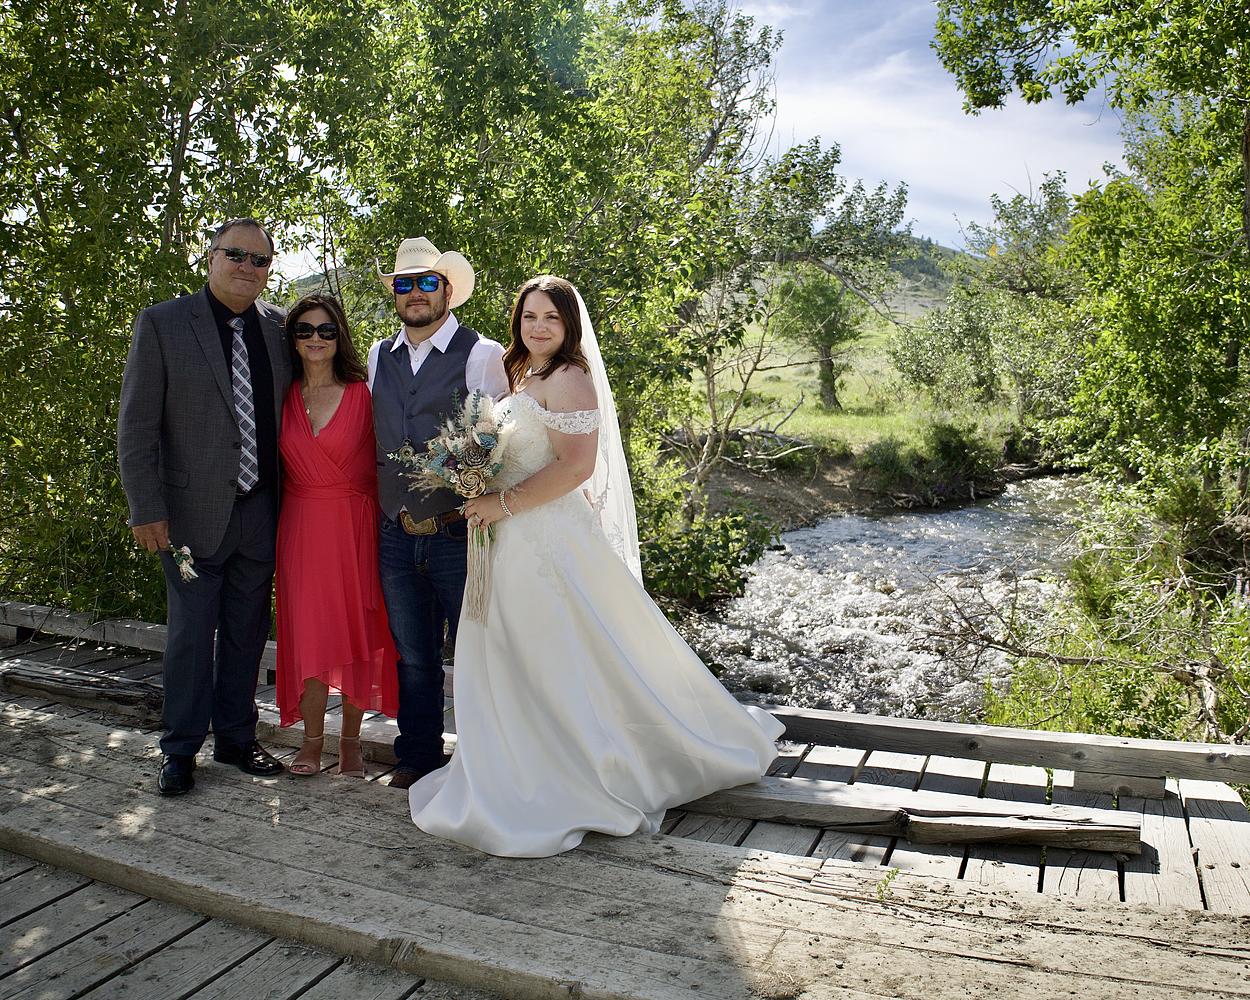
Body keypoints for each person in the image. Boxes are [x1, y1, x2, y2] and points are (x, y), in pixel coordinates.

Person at [407, 275, 785, 857]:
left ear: (569, 325)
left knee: (554, 653)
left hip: (544, 538)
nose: (538, 327)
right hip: (506, 538)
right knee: (516, 653)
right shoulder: (524, 374)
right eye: (529, 316)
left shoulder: (570, 377)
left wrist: (501, 503)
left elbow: (576, 467)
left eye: (550, 318)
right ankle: (518, 764)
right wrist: (475, 478)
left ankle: (580, 770)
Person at [118, 218, 291, 796]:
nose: (247, 267)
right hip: (188, 515)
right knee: (191, 638)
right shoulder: (163, 323)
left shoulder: (279, 328)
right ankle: (180, 751)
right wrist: (146, 507)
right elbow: (137, 426)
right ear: (210, 257)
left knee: (247, 632)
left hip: (262, 511)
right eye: (236, 254)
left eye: (260, 260)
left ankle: (237, 740)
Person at [369, 237, 508, 788]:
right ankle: (418, 757)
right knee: (414, 657)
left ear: (447, 290)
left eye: (427, 282)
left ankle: (484, 763)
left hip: (460, 533)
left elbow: (503, 442)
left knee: (478, 654)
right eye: (404, 283)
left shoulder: (481, 354)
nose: (416, 292)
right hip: (396, 532)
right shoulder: (379, 356)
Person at [275, 294, 399, 777]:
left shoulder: (363, 394)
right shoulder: (281, 396)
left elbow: (389, 461)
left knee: (356, 636)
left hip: (354, 528)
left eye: (326, 330)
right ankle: (310, 743)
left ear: (339, 336)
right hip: (301, 529)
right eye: (305, 330)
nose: (316, 339)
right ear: (293, 339)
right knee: (307, 636)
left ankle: (350, 742)